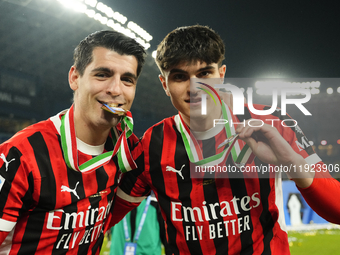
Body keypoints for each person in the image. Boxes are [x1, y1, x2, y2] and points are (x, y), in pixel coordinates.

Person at [110, 25, 340, 254]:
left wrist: (290, 162)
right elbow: (101, 219)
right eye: (180, 77)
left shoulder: (272, 122)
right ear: (164, 84)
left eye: (204, 74)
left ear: (221, 74)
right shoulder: (151, 145)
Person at [0, 30, 145, 254]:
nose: (116, 90)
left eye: (127, 80)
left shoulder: (129, 148)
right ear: (74, 78)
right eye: (102, 75)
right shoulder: (20, 154)